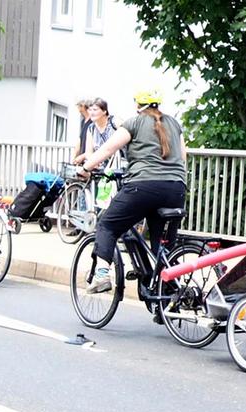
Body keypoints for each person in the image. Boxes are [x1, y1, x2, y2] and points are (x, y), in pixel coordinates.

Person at [78, 89, 187, 295]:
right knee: (163, 247)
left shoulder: (134, 123)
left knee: (107, 225)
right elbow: (183, 157)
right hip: (176, 188)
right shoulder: (174, 123)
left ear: (138, 106)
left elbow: (107, 149)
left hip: (144, 186)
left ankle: (101, 275)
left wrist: (85, 169)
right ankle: (168, 294)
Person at [71, 97, 116, 169]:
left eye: (95, 110)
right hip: (102, 169)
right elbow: (89, 152)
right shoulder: (91, 128)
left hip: (119, 166)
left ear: (104, 111)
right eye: (90, 110)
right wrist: (92, 162)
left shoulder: (114, 122)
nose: (91, 113)